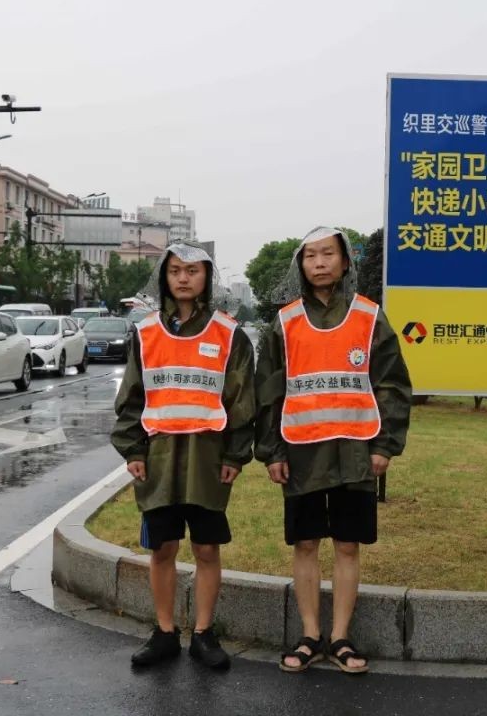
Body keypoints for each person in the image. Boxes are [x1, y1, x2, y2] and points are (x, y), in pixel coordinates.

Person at [255, 227, 412, 674]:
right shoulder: (284, 323)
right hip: (300, 452)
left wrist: (385, 446)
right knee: (305, 542)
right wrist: (271, 452)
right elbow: (267, 391)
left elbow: (392, 384)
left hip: (356, 453)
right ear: (300, 265)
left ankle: (341, 636)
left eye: (329, 254)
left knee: (347, 544)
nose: (320, 262)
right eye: (310, 256)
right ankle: (309, 634)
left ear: (345, 262)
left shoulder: (369, 316)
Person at [111, 242, 255, 671]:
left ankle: (204, 634)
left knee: (207, 548)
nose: (183, 278)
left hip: (209, 461)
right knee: (163, 549)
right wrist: (132, 448)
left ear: (206, 277)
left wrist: (236, 454)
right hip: (158, 460)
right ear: (165, 277)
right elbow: (131, 398)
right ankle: (164, 632)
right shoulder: (147, 332)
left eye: (192, 270)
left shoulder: (229, 334)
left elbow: (243, 401)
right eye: (175, 270)